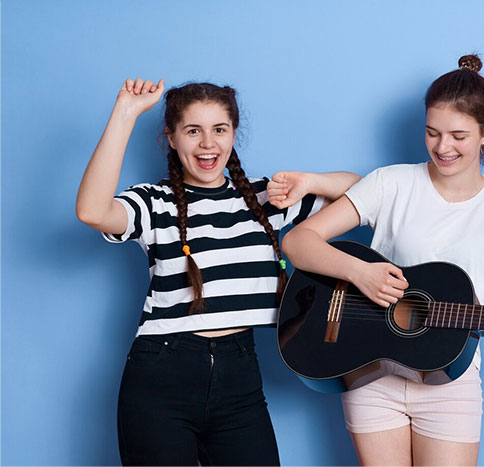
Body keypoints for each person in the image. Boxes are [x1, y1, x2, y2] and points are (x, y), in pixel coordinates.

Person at [277, 55, 484, 466]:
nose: (443, 147)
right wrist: (360, 273)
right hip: (370, 370)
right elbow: (298, 242)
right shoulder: (392, 183)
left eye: (458, 135)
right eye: (432, 133)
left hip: (451, 384)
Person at [76, 78, 360, 466]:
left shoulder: (267, 199)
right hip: (161, 373)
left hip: (240, 374)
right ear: (172, 139)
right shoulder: (153, 203)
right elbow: (92, 211)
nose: (208, 143)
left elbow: (367, 196)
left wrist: (309, 182)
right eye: (193, 131)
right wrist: (125, 113)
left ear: (233, 135)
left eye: (219, 130)